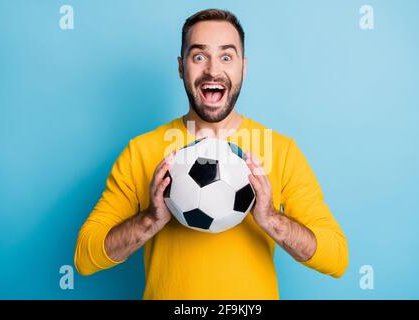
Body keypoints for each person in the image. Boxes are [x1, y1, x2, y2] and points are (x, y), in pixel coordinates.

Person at [74, 8, 349, 300]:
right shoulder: (141, 151)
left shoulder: (280, 151)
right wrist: (151, 219)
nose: (213, 70)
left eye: (226, 57)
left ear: (243, 67)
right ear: (181, 67)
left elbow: (336, 258)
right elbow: (84, 257)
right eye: (199, 56)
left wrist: (270, 219)